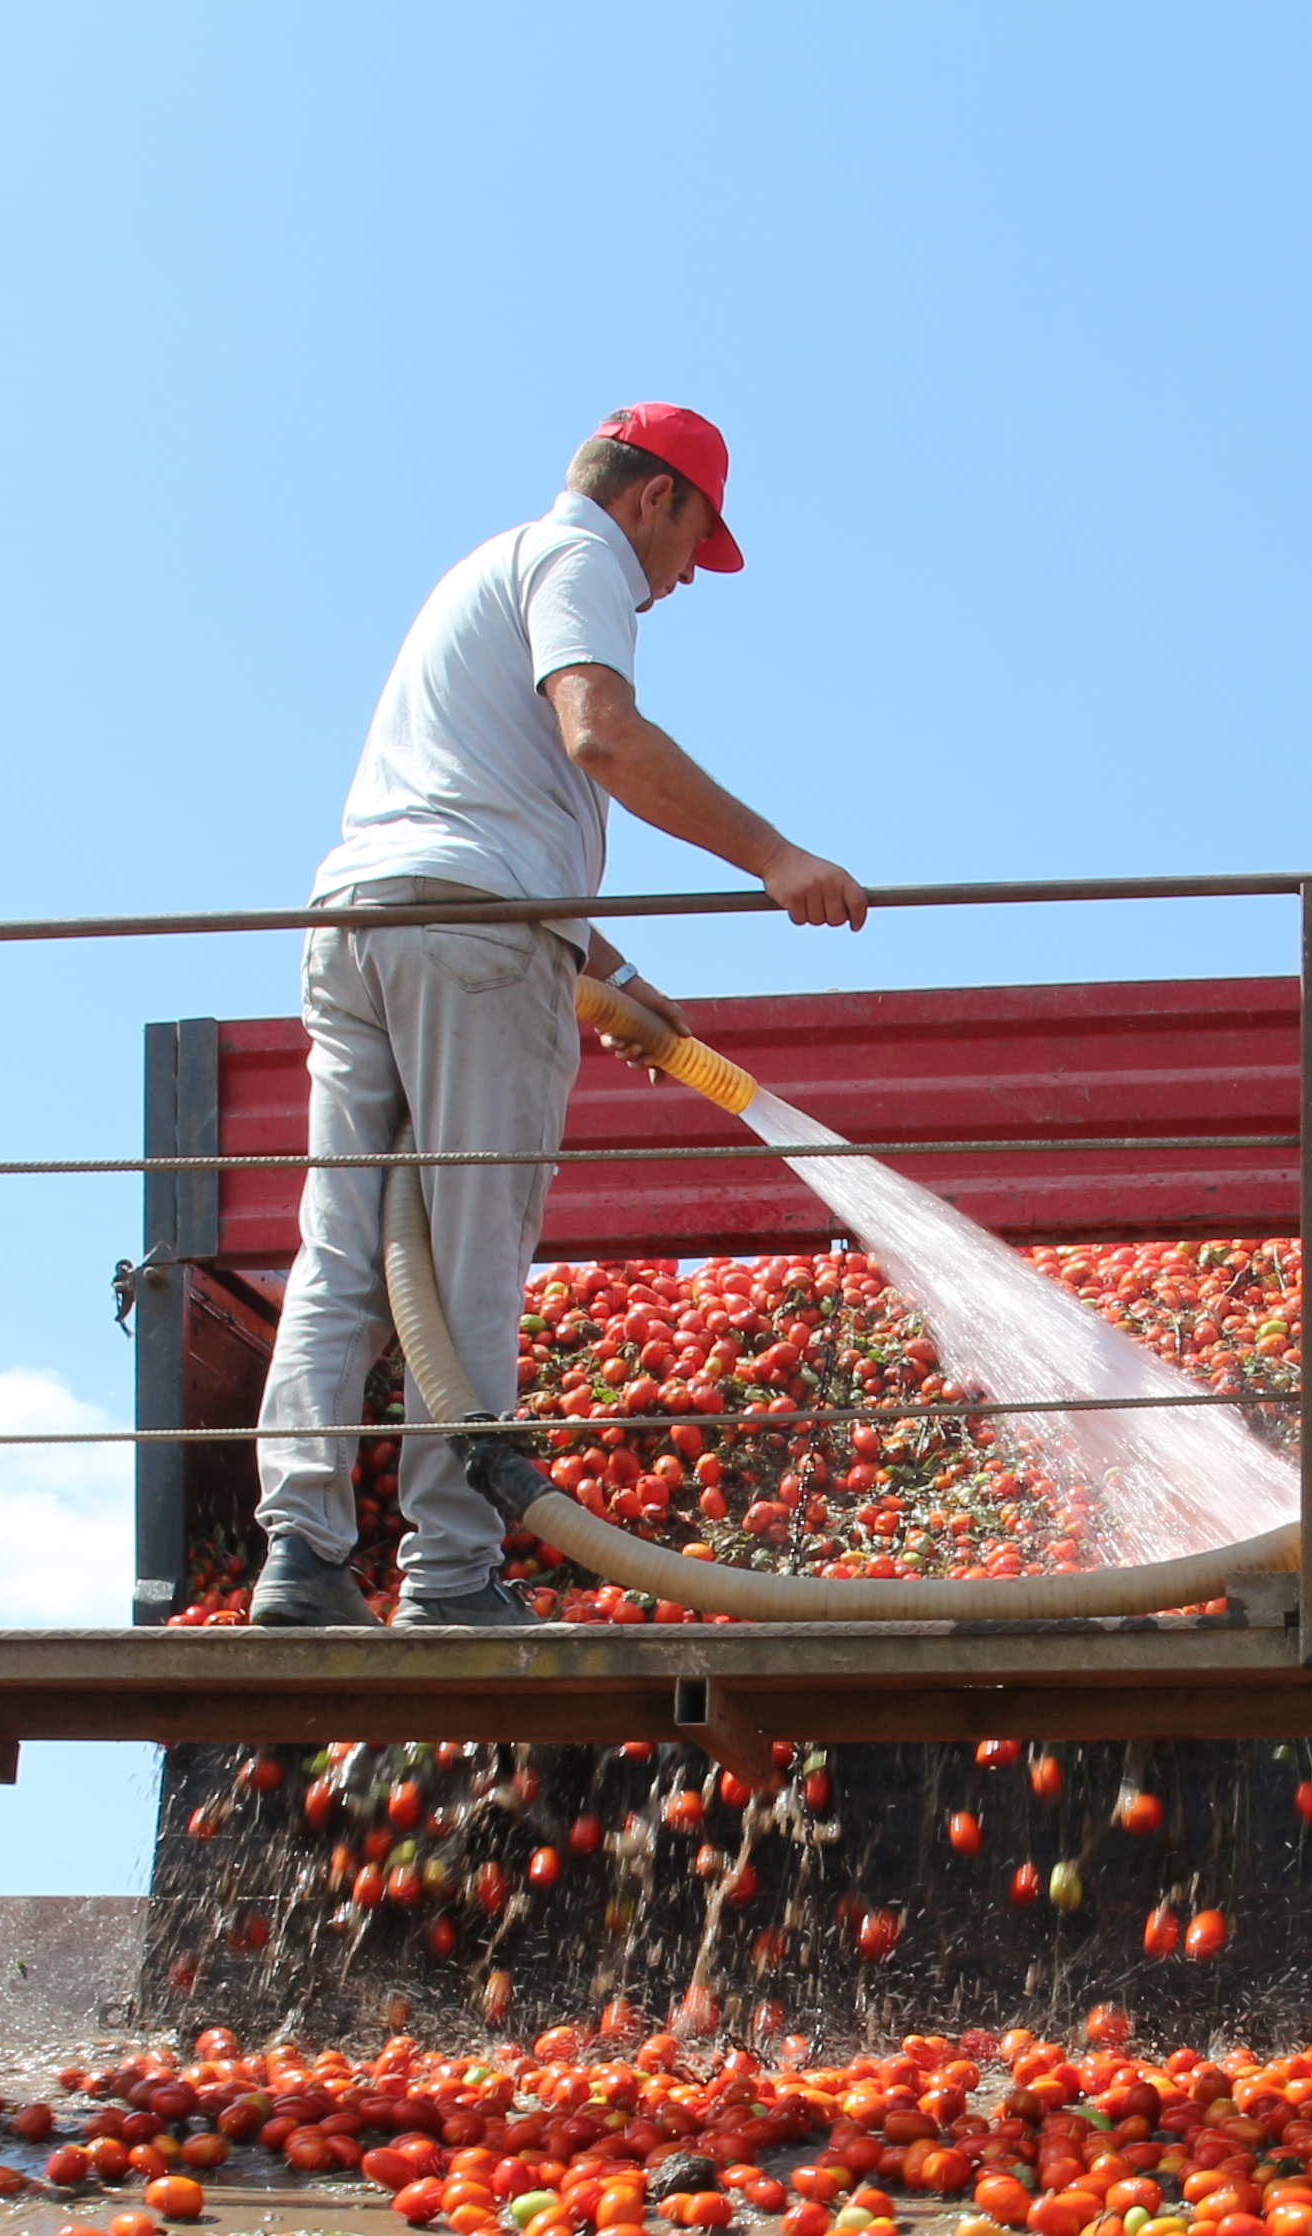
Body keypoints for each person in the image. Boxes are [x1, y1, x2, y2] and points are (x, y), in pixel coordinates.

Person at [247, 404, 868, 1629]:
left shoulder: (485, 569)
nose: (684, 581)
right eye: (693, 545)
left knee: (344, 1248)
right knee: (472, 1256)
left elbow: (483, 813)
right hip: (475, 947)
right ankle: (450, 1572)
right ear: (654, 498)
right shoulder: (582, 558)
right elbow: (602, 734)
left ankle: (301, 1555)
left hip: (360, 924)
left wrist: (615, 975)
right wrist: (777, 858)